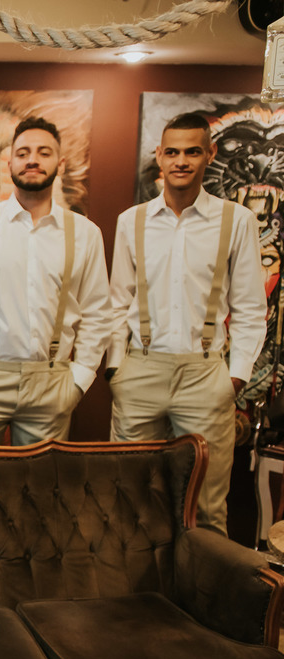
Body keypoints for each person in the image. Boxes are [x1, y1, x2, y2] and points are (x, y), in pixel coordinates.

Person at [107, 112, 266, 535]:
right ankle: (135, 581)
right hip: (140, 370)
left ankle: (202, 582)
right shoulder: (131, 221)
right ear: (159, 156)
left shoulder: (237, 221)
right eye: (173, 152)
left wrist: (234, 378)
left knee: (207, 507)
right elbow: (117, 301)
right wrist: (115, 369)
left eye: (192, 152)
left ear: (209, 154)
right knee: (129, 499)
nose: (181, 161)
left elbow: (251, 308)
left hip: (205, 373)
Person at [0, 116, 110, 446]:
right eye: (23, 153)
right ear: (10, 163)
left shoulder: (86, 234)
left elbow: (97, 313)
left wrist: (79, 380)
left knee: (38, 478)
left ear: (60, 163)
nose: (32, 160)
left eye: (44, 153)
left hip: (52, 382)